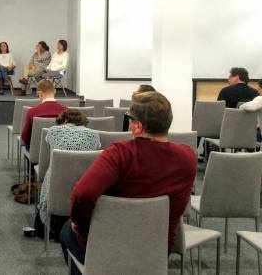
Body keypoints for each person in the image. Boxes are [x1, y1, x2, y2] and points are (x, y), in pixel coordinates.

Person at [61, 91, 197, 273]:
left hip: (110, 247)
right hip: (158, 249)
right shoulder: (188, 156)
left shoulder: (119, 154)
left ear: (138, 126)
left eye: (130, 119)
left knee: (66, 230)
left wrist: (81, 227)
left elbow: (82, 194)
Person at [34, 109, 101, 239]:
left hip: (55, 186)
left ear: (63, 120)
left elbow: (47, 159)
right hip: (83, 188)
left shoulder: (53, 131)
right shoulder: (94, 135)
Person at [21, 79, 68, 149]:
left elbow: (25, 137)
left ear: (39, 94)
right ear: (55, 91)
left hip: (36, 150)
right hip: (60, 150)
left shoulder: (32, 111)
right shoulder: (66, 111)